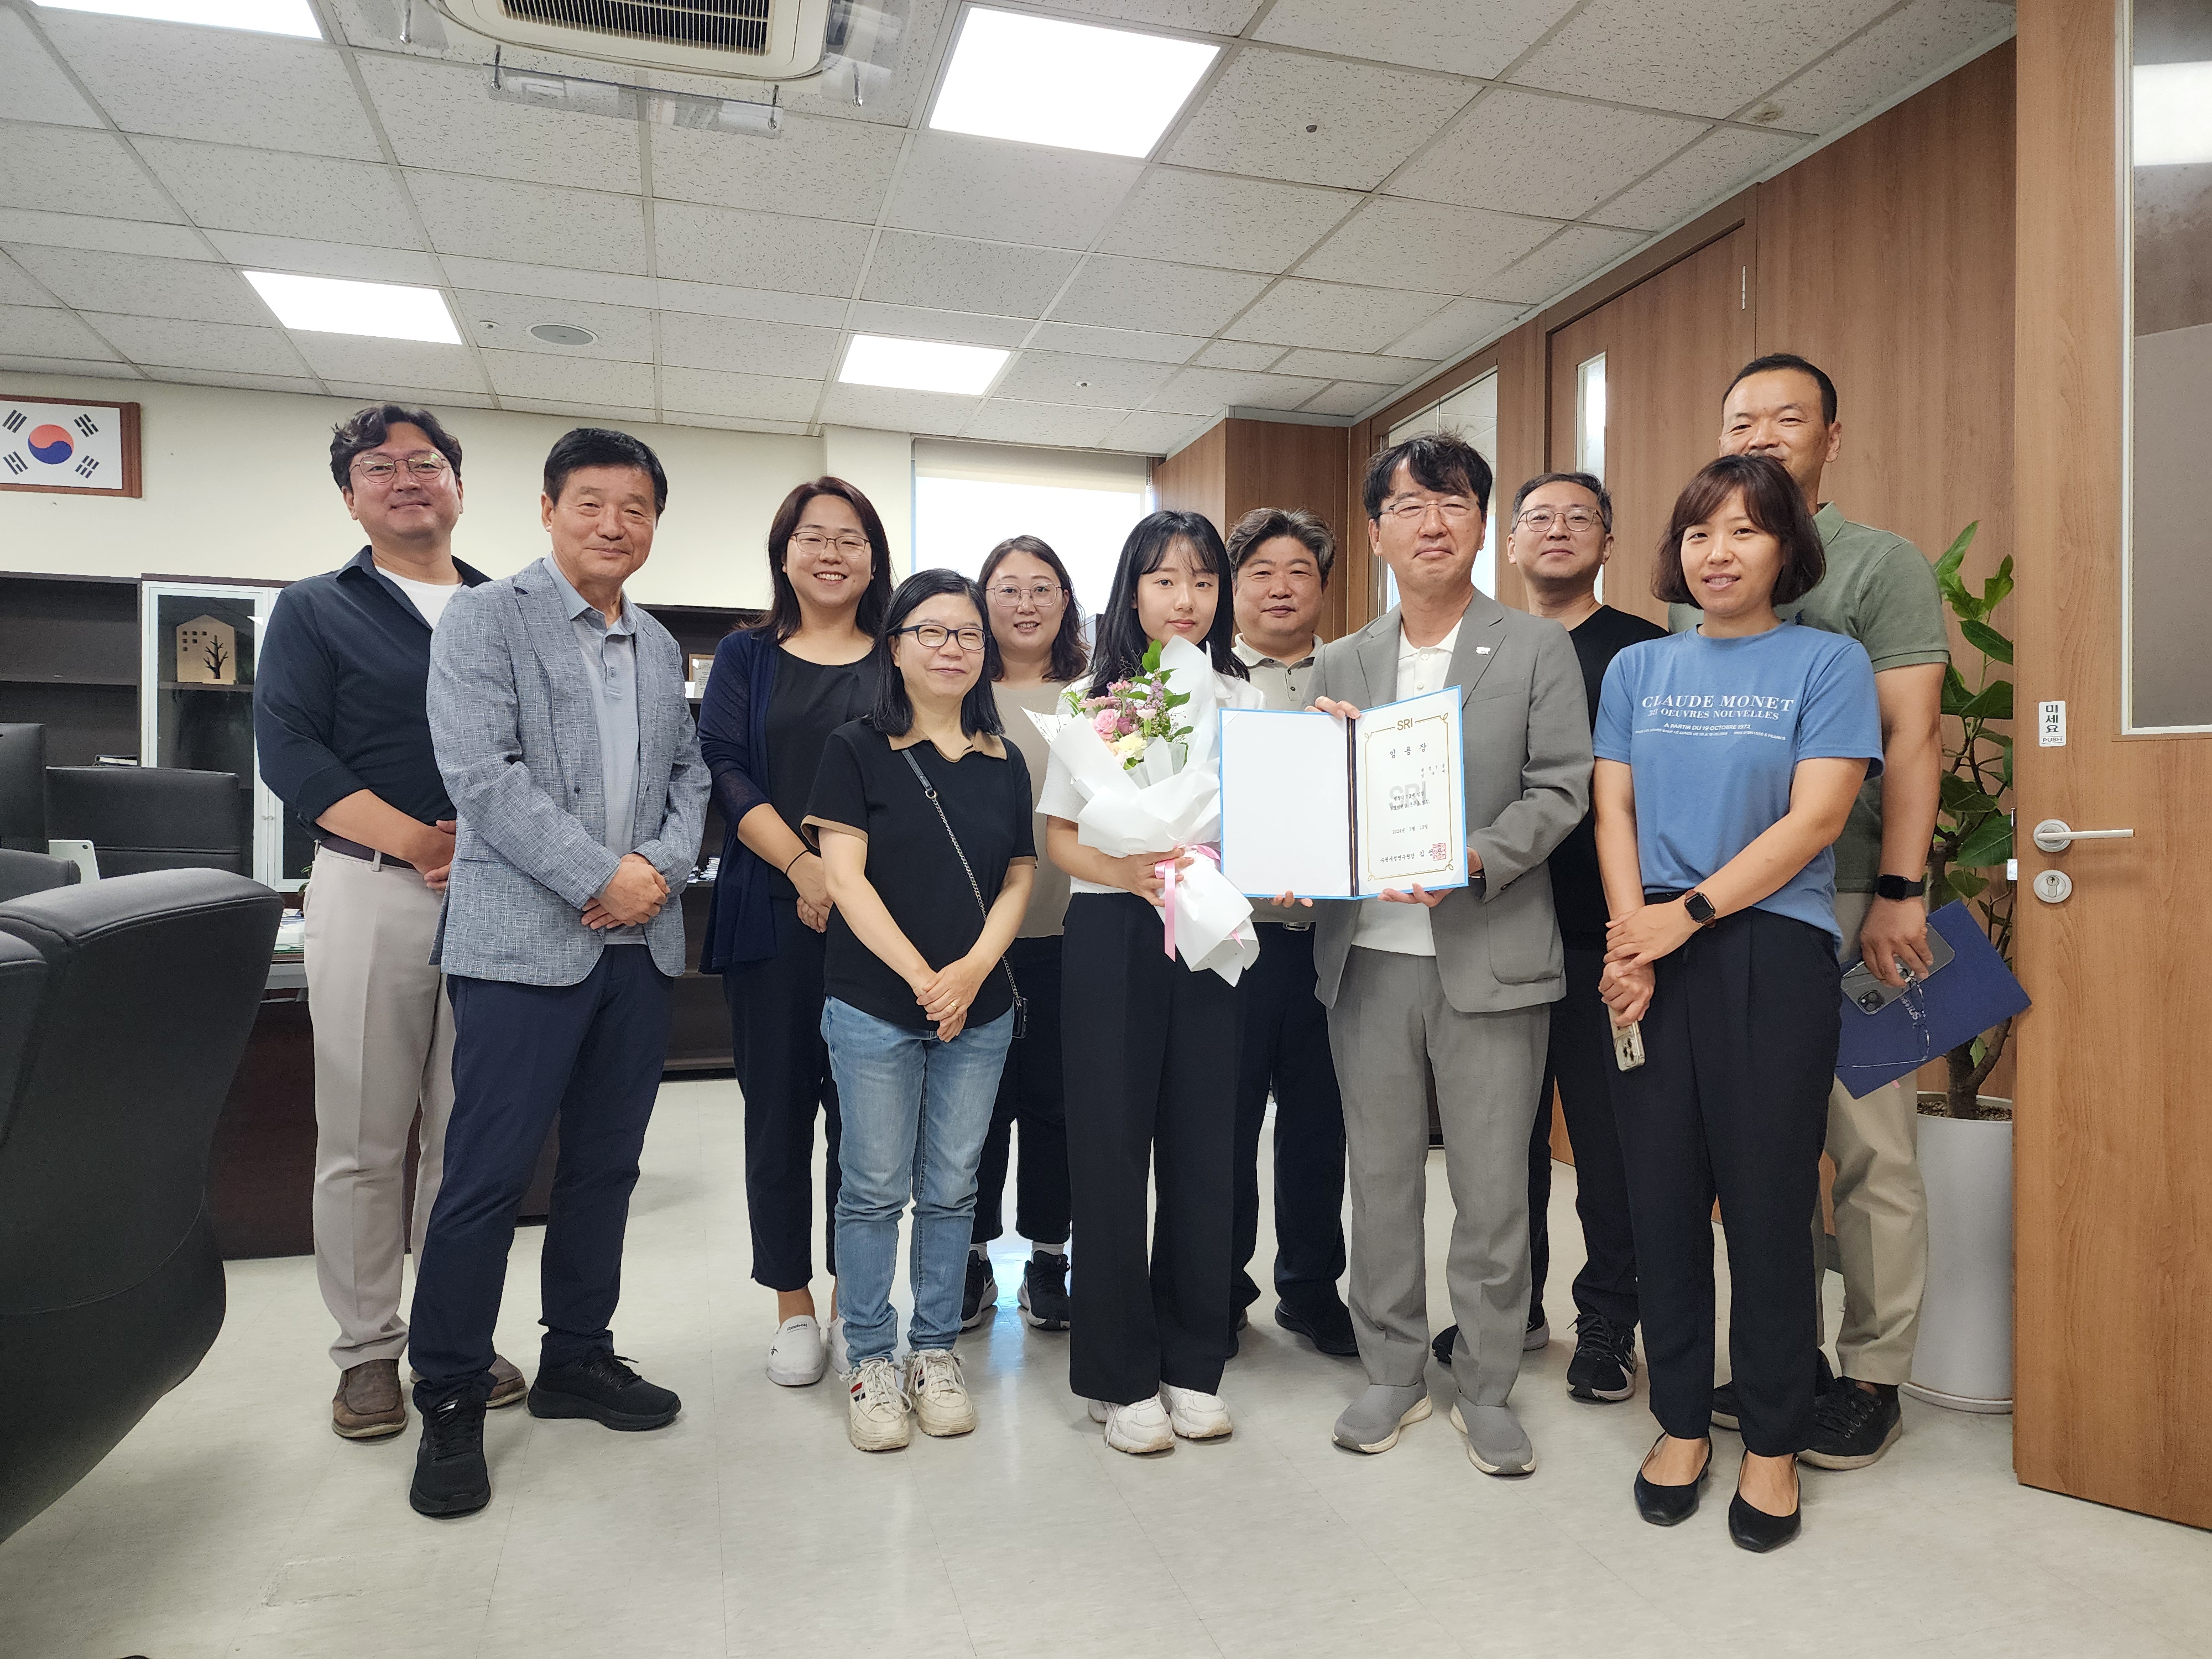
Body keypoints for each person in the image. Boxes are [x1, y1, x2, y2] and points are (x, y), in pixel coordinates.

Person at [406, 427, 708, 1519]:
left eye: (636, 508)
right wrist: (602, 875)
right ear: (547, 510)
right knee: (486, 1177)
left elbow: (690, 774)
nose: (614, 525)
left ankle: (577, 1354)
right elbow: (482, 775)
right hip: (521, 949)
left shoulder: (660, 644)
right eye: (591, 503)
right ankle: (449, 1393)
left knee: (604, 1168)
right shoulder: (486, 619)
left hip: (638, 949)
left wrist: (658, 872)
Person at [1597, 452, 1882, 1552]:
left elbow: (1816, 820)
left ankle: (1771, 1441)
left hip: (1769, 948)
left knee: (1767, 1206)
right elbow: (1614, 813)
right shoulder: (1638, 669)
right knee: (1662, 1197)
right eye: (1698, 532)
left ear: (1785, 549)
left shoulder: (1827, 662)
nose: (1716, 553)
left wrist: (1688, 916)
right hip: (1651, 946)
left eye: (1744, 531)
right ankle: (1679, 1423)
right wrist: (1631, 939)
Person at [1304, 432, 1588, 1480]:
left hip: (1492, 951)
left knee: (1494, 1188)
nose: (1433, 524)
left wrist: (1473, 856)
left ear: (1482, 526)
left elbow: (1562, 786)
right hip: (1367, 959)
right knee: (1379, 1179)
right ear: (1376, 532)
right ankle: (1390, 1369)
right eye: (1409, 506)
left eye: (1455, 503)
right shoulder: (1340, 660)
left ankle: (1487, 1381)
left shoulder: (1535, 646)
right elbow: (1318, 802)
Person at [1684, 354, 1948, 1470]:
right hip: (1736, 904)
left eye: (1785, 419)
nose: (1761, 436)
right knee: (1764, 1147)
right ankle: (1779, 1359)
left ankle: (1874, 1374)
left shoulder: (1881, 564)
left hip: (1852, 891)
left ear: (1830, 438)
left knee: (1872, 1140)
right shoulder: (1702, 569)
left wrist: (1899, 889)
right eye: (1741, 420)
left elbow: (1913, 737)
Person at [254, 405, 524, 1441]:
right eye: (379, 467)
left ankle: (454, 1336)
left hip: (502, 898)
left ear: (458, 485)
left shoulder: (507, 610)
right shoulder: (317, 609)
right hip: (374, 883)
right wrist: (418, 842)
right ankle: (367, 1349)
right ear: (350, 496)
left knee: (471, 1137)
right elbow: (292, 752)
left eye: (426, 462)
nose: (406, 479)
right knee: (365, 1137)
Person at [1430, 474, 1667, 1400]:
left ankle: (1608, 1321)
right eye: (1538, 518)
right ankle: (1511, 1307)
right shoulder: (1478, 650)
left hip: (1606, 937)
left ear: (1609, 542)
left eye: (1580, 518)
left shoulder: (1644, 652)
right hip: (1494, 930)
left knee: (1608, 1144)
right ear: (1511, 542)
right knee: (1504, 1144)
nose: (1557, 531)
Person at [1040, 510, 1264, 1455]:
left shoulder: (1245, 697)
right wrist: (1127, 870)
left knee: (1206, 1150)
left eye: (1204, 581)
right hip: (1113, 930)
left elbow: (1273, 816)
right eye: (1166, 579)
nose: (1186, 599)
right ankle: (1117, 1373)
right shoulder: (1092, 698)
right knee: (1109, 1150)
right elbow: (1058, 839)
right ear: (1132, 591)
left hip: (1209, 924)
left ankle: (1192, 1362)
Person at [806, 570, 1037, 1451]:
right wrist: (922, 977)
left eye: (968, 634)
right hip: (874, 1004)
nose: (952, 648)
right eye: (931, 632)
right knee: (871, 1190)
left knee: (952, 1188)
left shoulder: (1004, 759)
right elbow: (845, 879)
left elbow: (1018, 878)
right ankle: (870, 1357)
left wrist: (971, 973)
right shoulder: (856, 748)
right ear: (895, 647)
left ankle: (934, 1350)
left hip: (979, 1009)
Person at [698, 479, 891, 1389]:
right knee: (778, 1115)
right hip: (771, 910)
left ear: (874, 559)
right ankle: (792, 1306)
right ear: (784, 553)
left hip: (877, 918)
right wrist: (805, 869)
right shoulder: (747, 655)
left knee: (867, 1125)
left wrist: (846, 882)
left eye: (850, 539)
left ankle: (858, 1301)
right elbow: (726, 767)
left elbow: (911, 781)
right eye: (813, 537)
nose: (831, 553)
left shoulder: (898, 658)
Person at [1224, 507, 1353, 1358]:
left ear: (1323, 587)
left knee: (1318, 1125)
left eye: (1299, 571)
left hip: (1330, 942)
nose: (1280, 587)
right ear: (1234, 587)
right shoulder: (1201, 681)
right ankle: (1220, 1286)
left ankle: (1310, 1289)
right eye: (1261, 572)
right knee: (1223, 1126)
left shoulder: (1358, 676)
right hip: (1230, 943)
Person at [962, 536, 1085, 1334]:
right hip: (972, 941)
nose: (1027, 603)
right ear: (984, 601)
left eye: (1043, 588)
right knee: (975, 1106)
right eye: (1008, 588)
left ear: (1066, 601)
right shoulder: (957, 692)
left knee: (1056, 1104)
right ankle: (971, 1257)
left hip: (1070, 933)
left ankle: (1048, 1258)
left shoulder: (1096, 697)